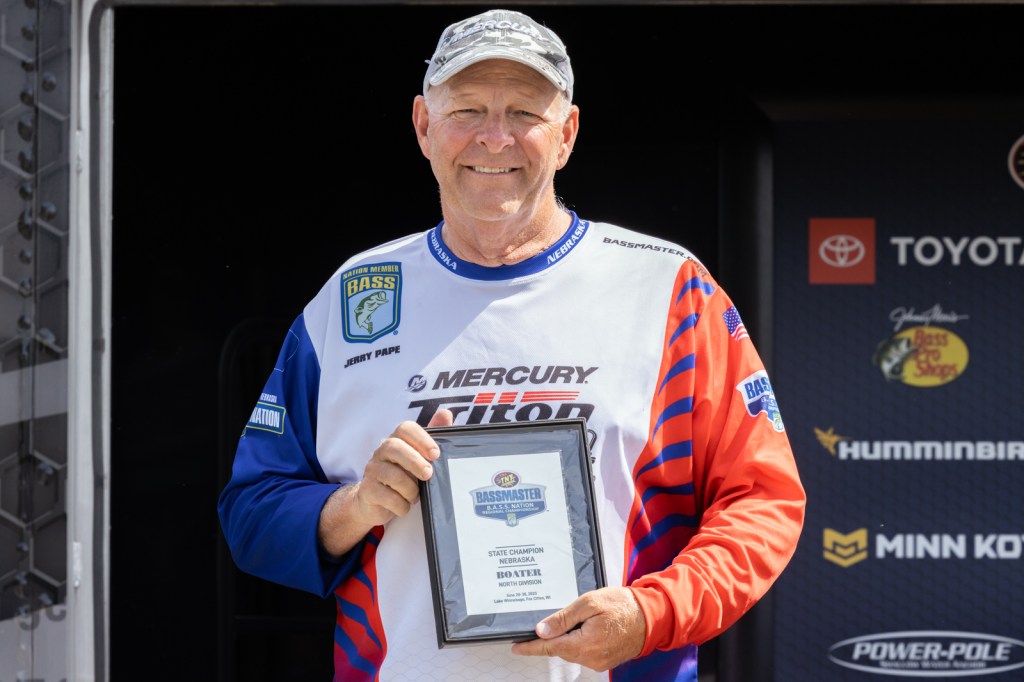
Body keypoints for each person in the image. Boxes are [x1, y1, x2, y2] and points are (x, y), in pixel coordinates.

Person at [217, 8, 805, 681]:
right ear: (423, 126)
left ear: (567, 134)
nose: (494, 138)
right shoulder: (354, 299)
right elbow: (250, 513)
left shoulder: (669, 288)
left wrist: (652, 614)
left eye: (524, 112)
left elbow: (764, 501)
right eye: (467, 109)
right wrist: (352, 508)